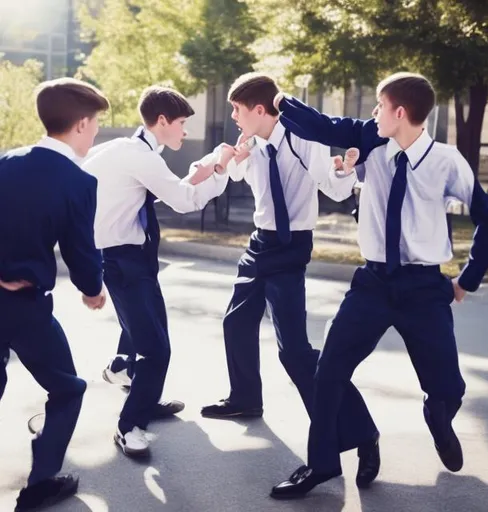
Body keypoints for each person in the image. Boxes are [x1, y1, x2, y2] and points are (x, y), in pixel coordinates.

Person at [270, 72, 488, 499]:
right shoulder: (372, 140)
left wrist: (466, 280)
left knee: (449, 387)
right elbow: (324, 126)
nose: (372, 113)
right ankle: (321, 464)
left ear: (400, 113)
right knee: (329, 372)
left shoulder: (446, 161)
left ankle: (438, 414)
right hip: (373, 283)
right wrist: (279, 100)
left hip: (423, 288)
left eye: (379, 106)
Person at [200, 72, 361, 425]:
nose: (233, 117)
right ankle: (245, 399)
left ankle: (351, 425)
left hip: (291, 245)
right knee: (236, 322)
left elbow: (332, 189)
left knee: (294, 350)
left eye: (237, 110)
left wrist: (346, 172)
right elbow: (241, 176)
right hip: (260, 242)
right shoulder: (253, 142)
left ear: (259, 109)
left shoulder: (304, 138)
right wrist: (238, 157)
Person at [82, 85, 233, 457]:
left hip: (130, 257)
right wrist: (219, 171)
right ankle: (129, 425)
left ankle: (125, 373)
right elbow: (182, 200)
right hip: (121, 258)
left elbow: (173, 190)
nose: (184, 131)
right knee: (157, 350)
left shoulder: (127, 149)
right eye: (181, 123)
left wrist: (209, 170)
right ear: (162, 120)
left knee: (151, 329)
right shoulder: (139, 157)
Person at [0, 78, 108, 511]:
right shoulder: (77, 181)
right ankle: (41, 483)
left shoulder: (6, 162)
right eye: (97, 122)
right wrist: (93, 290)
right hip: (27, 308)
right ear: (81, 124)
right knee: (67, 388)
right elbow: (81, 250)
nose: (97, 130)